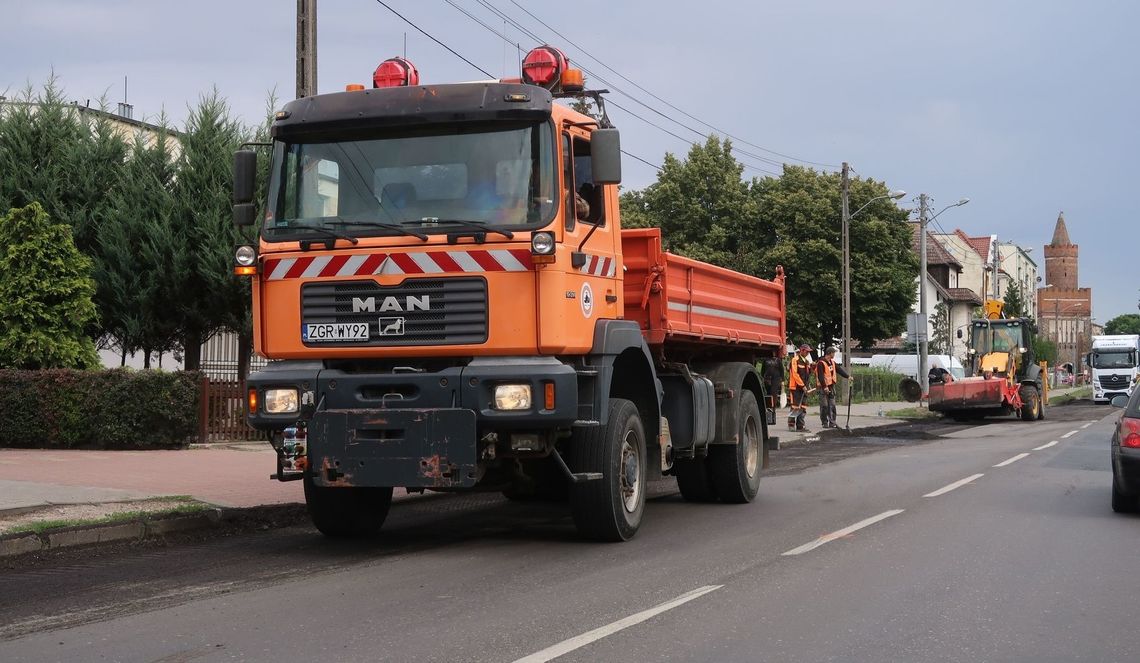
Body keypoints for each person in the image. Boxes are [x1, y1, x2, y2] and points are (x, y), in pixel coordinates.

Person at [815, 346, 852, 429]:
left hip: (831, 387)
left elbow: (839, 370)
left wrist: (848, 376)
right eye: (833, 353)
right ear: (830, 353)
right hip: (823, 387)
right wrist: (824, 387)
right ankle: (824, 422)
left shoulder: (832, 362)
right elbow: (821, 376)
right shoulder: (821, 363)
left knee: (832, 405)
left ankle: (832, 422)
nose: (834, 354)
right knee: (824, 405)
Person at [787, 344, 815, 432]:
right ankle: (791, 425)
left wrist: (807, 385)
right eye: (807, 351)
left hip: (804, 388)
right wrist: (802, 386)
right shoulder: (795, 360)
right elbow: (795, 374)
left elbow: (808, 375)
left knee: (803, 407)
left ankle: (800, 426)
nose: (808, 353)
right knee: (795, 407)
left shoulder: (806, 361)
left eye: (809, 352)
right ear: (801, 350)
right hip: (795, 387)